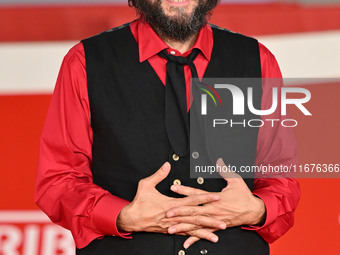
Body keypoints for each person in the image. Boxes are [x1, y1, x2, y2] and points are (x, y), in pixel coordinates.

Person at [35, 0, 300, 254]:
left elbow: (282, 178)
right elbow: (58, 181)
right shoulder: (84, 62)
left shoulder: (258, 59)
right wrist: (122, 216)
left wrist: (257, 209)